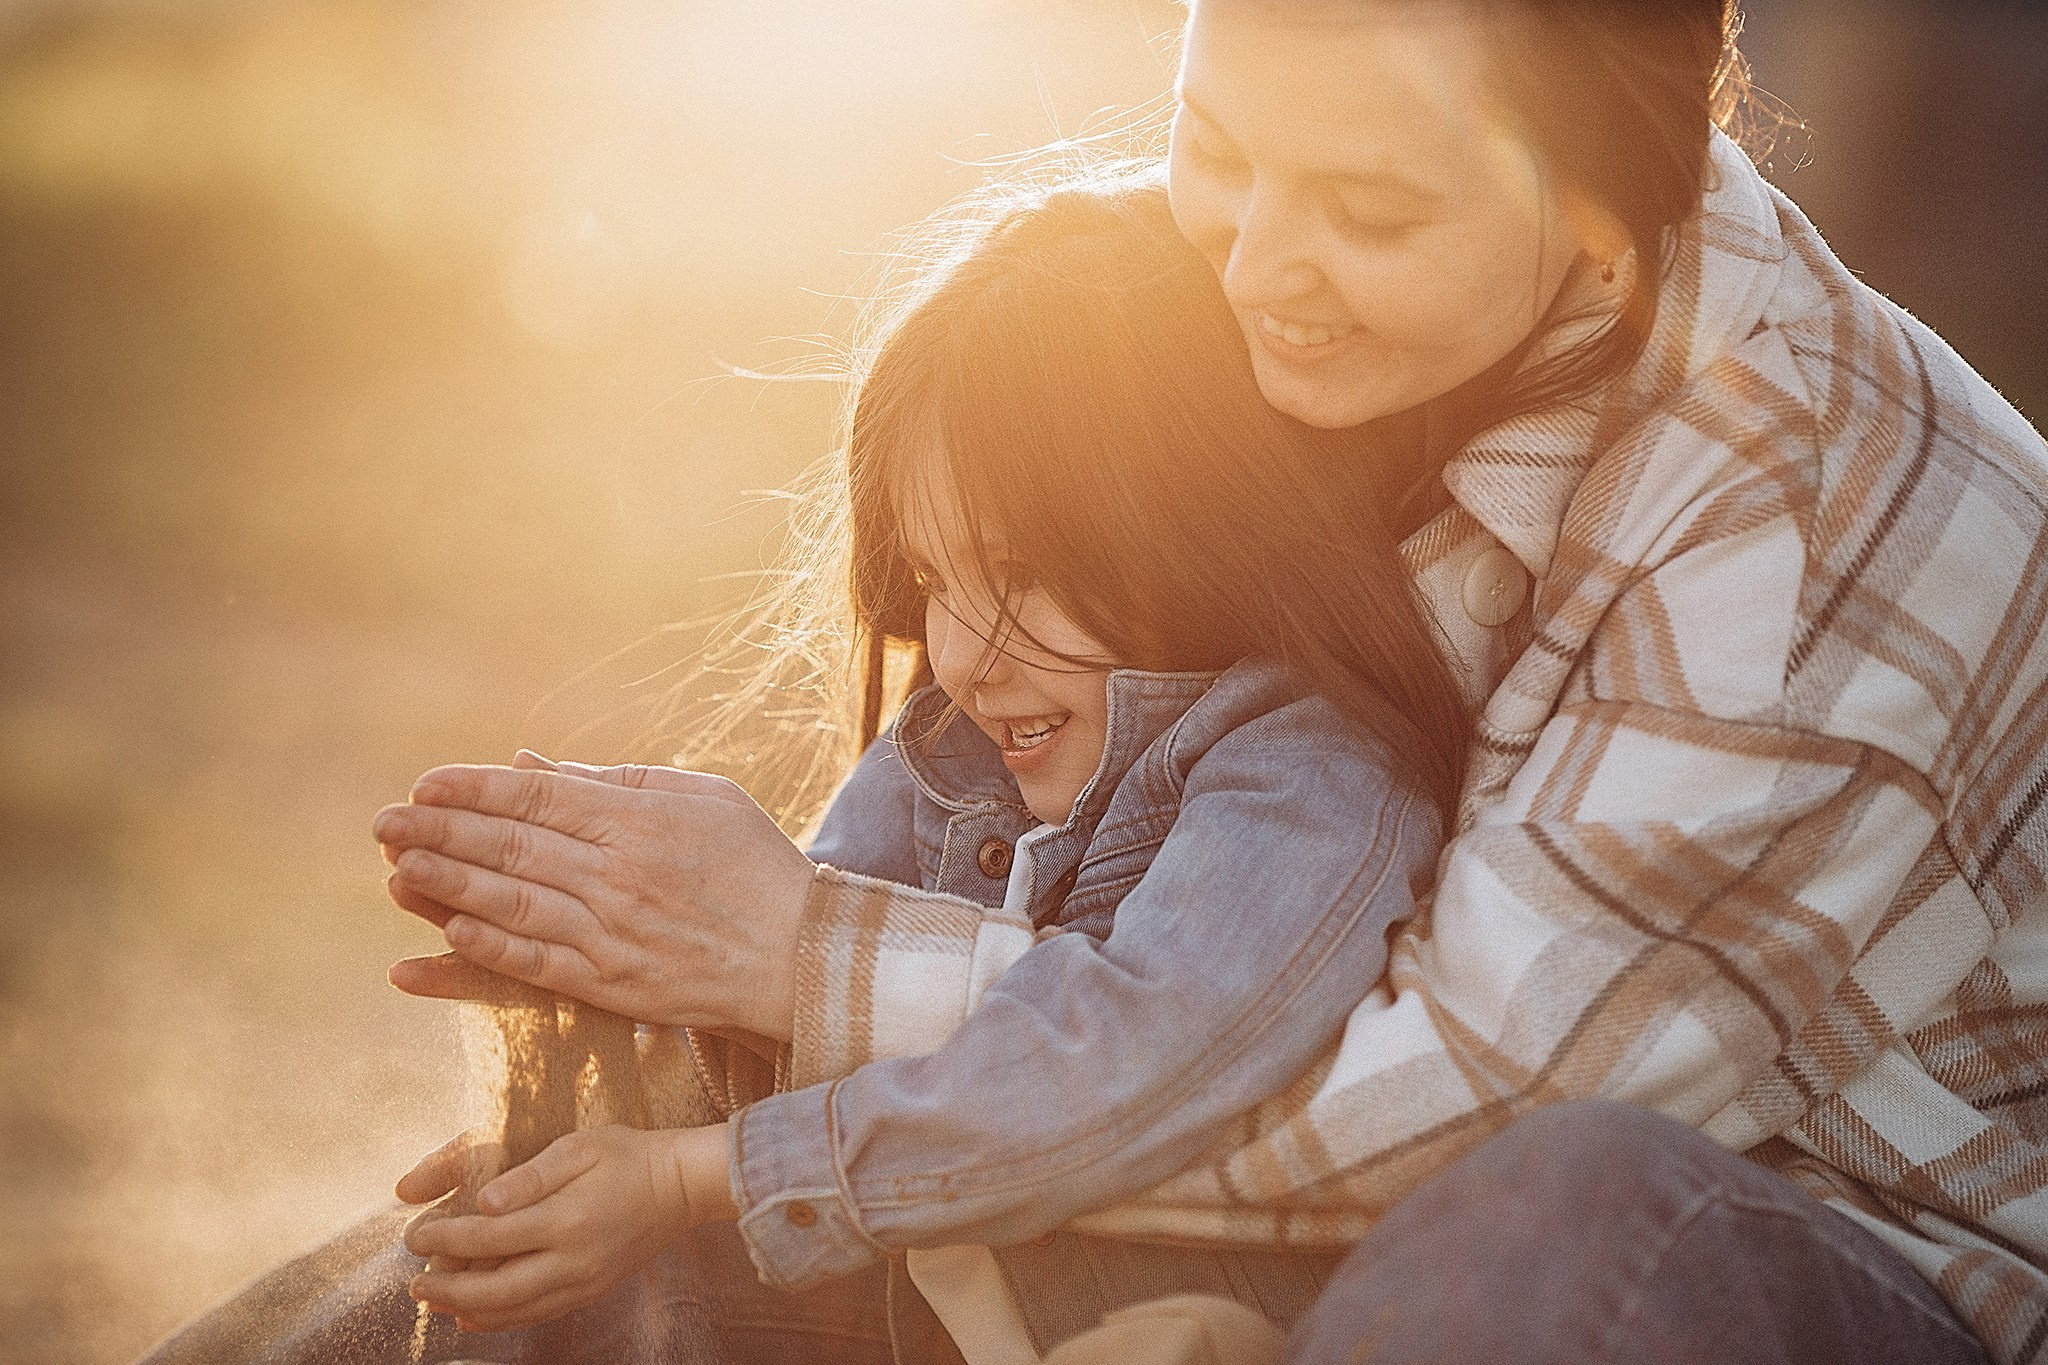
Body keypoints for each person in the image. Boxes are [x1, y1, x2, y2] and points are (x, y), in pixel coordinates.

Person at [146, 1, 2048, 1362]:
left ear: (1608, 209)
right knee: (529, 1259)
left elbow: (1435, 1106)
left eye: (1365, 214)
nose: (1252, 263)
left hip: (1804, 1257)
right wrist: (661, 1037)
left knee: (1554, 1219)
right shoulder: (1356, 325)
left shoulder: (1770, 525)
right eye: (1215, 151)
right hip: (1270, 1136)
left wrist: (793, 972)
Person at [390, 172, 1457, 1357]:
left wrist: (693, 1175)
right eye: (939, 580)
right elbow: (776, 1007)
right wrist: (608, 1028)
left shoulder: (1310, 775)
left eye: (1016, 569)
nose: (963, 654)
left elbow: (1126, 1056)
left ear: (1216, 523)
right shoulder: (956, 756)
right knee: (467, 1302)